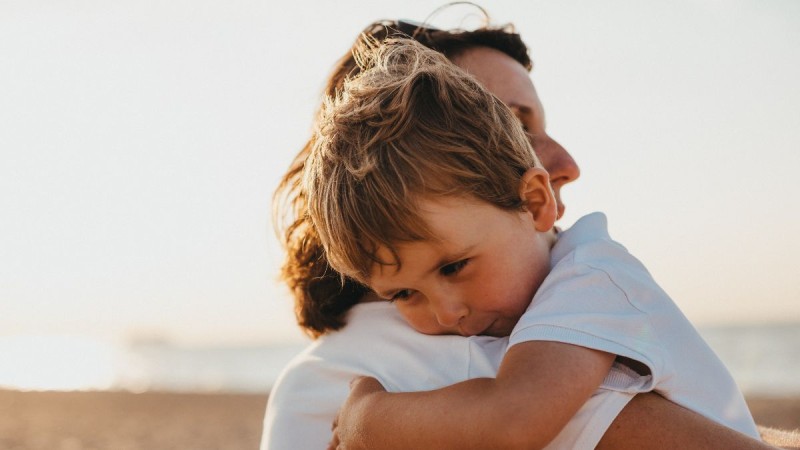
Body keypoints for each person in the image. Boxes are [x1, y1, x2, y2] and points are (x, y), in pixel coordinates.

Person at [262, 17, 791, 450]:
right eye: (511, 123)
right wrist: (367, 418)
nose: (568, 162)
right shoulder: (456, 356)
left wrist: (369, 420)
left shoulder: (580, 283)